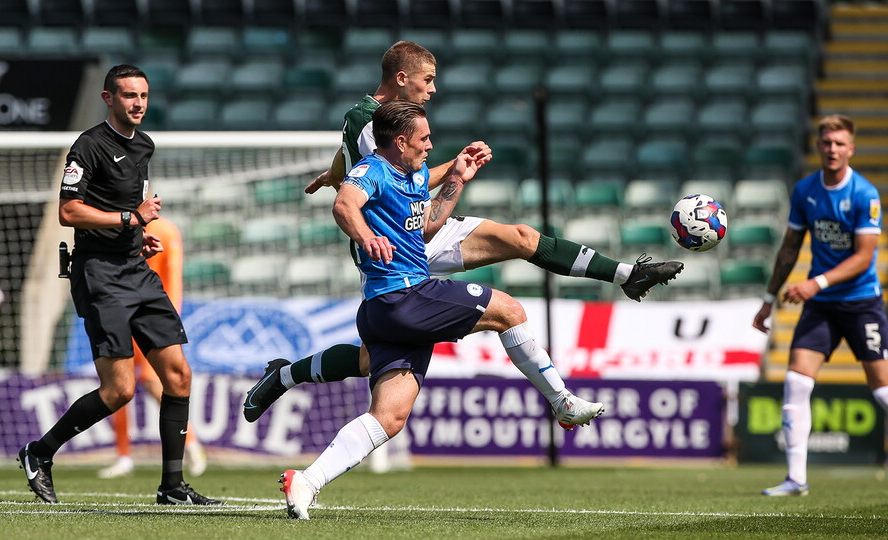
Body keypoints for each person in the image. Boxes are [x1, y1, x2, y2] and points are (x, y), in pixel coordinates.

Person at [243, 40, 683, 424]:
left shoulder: (365, 117)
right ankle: (285, 374)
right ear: (402, 78)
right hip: (396, 243)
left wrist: (330, 174)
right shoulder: (373, 119)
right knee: (369, 358)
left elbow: (350, 158)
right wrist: (451, 169)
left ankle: (629, 274)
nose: (433, 88)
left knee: (522, 238)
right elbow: (390, 179)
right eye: (427, 79)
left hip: (419, 227)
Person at [278, 101, 605, 519]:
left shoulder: (413, 175)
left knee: (389, 417)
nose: (431, 145)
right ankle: (561, 401)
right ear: (400, 141)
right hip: (404, 295)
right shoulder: (374, 169)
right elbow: (344, 205)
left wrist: (457, 178)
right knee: (508, 310)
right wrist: (366, 238)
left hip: (388, 315)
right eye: (424, 138)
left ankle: (306, 481)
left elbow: (428, 222)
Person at [18, 65, 220, 505]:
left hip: (135, 268)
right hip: (100, 275)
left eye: (144, 95)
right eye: (129, 95)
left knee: (179, 376)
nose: (139, 103)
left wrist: (136, 235)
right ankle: (39, 452)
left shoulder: (145, 145)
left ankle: (172, 487)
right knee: (120, 390)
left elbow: (128, 207)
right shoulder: (87, 146)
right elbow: (68, 213)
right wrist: (129, 219)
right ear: (109, 98)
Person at [753, 114, 888, 500]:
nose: (833, 149)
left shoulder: (864, 194)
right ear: (818, 146)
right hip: (820, 306)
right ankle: (796, 478)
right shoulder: (805, 190)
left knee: (886, 392)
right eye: (826, 143)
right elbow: (790, 248)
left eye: (840, 143)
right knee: (796, 382)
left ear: (851, 148)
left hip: (861, 304)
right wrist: (770, 300)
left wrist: (814, 282)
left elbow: (863, 256)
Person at [97, 217, 208, 479]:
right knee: (118, 384)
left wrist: (170, 316)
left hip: (152, 317)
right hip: (121, 314)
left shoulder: (165, 231)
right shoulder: (117, 227)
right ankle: (123, 455)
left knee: (152, 381)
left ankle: (190, 442)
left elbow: (173, 277)